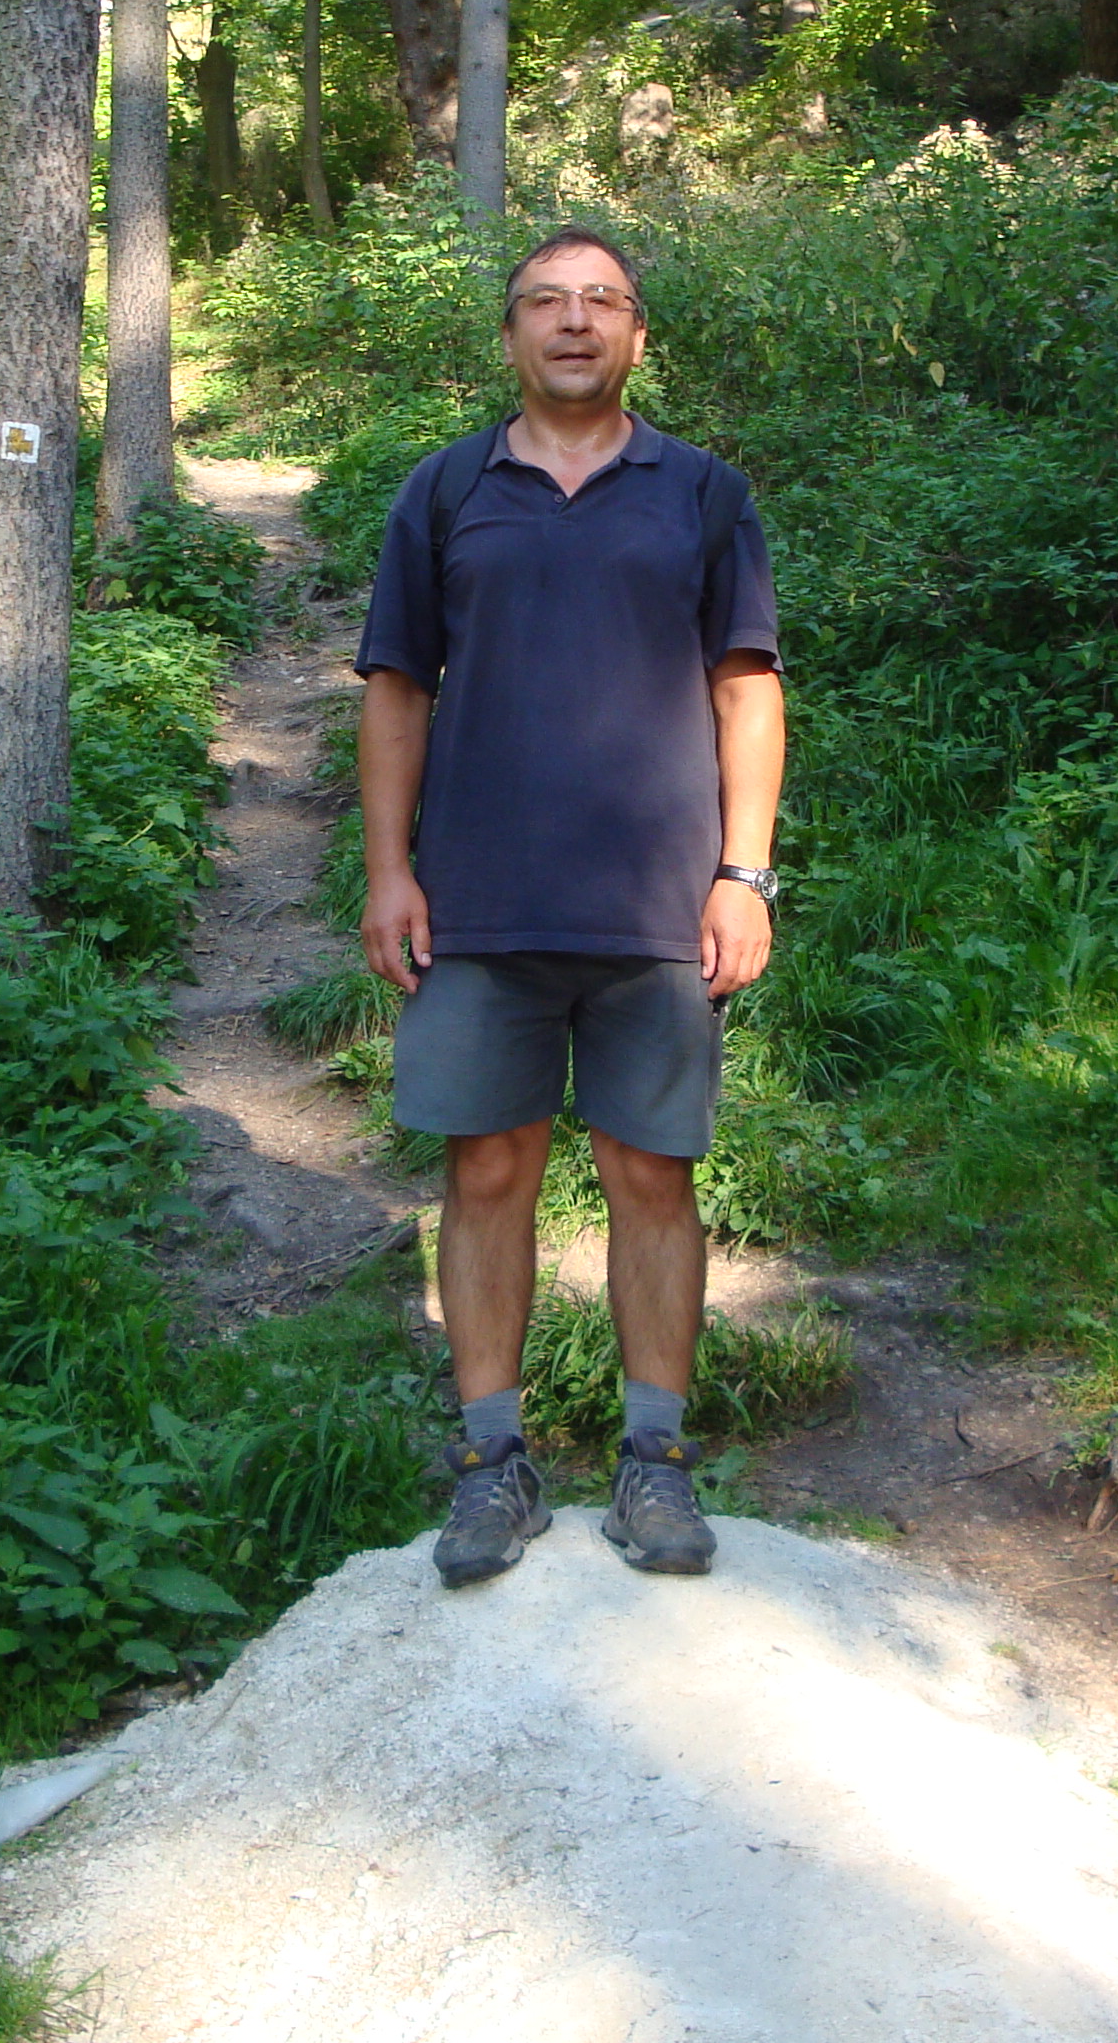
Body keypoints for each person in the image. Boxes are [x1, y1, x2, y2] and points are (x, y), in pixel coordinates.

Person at [353, 225, 786, 1587]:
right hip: (478, 904)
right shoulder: (444, 491)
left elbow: (746, 690)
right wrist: (388, 869)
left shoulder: (703, 493)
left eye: (603, 300)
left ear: (639, 335)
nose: (575, 321)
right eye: (547, 300)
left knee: (652, 1175)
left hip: (660, 907)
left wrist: (745, 873)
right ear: (511, 336)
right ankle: (493, 1465)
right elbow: (396, 690)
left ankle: (657, 1463)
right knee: (485, 1172)